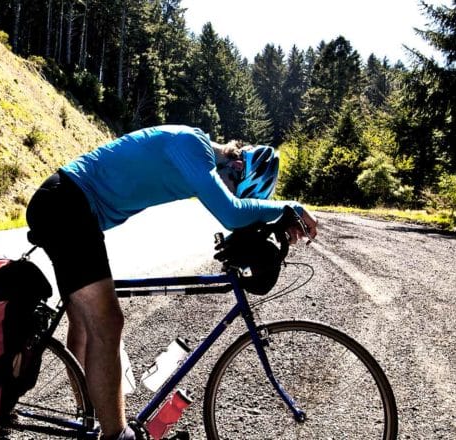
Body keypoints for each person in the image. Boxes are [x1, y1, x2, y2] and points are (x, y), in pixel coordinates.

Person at [25, 125, 317, 440]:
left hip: (71, 207)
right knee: (108, 322)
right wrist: (291, 208)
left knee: (84, 326)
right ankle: (115, 434)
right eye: (233, 186)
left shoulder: (195, 154)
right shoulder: (192, 145)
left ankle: (89, 418)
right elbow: (231, 213)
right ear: (236, 166)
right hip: (67, 205)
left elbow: (235, 215)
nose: (226, 190)